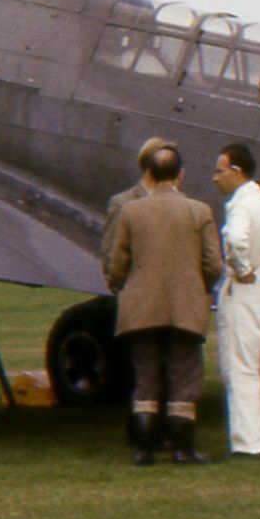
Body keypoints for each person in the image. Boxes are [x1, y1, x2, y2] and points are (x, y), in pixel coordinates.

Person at [103, 143, 222, 466]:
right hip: (185, 306)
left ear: (150, 175)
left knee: (145, 377)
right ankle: (183, 450)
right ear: (180, 175)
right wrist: (199, 288)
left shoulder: (130, 211)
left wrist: (122, 287)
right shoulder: (199, 211)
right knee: (184, 378)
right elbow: (214, 264)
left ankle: (143, 448)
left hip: (141, 307)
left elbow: (116, 263)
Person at [213, 141, 260, 458]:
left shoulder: (241, 204)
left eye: (219, 171)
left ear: (236, 170)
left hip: (245, 290)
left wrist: (240, 268)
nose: (215, 178)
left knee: (240, 367)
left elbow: (234, 237)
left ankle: (248, 442)